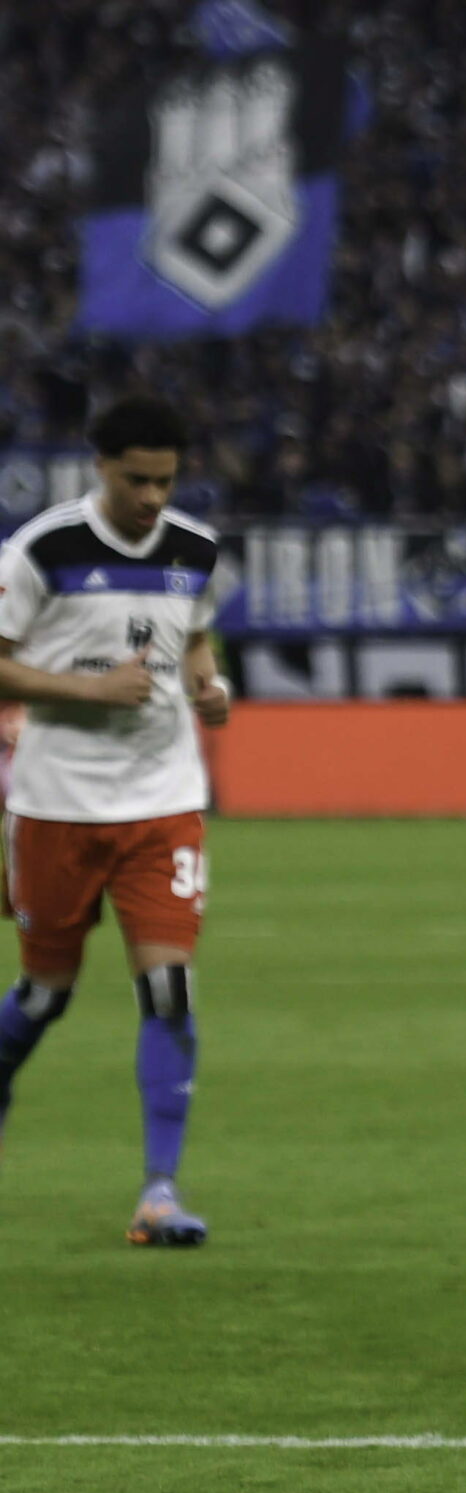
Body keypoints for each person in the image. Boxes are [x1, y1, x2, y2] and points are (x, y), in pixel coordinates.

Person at [0, 396, 229, 1245]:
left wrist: (209, 684)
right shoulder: (42, 550)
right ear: (100, 467)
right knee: (45, 994)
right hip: (56, 804)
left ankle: (159, 1193)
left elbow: (194, 636)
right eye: (136, 480)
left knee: (168, 990)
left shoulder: (196, 548)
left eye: (165, 481)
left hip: (162, 803)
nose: (151, 498)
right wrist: (90, 689)